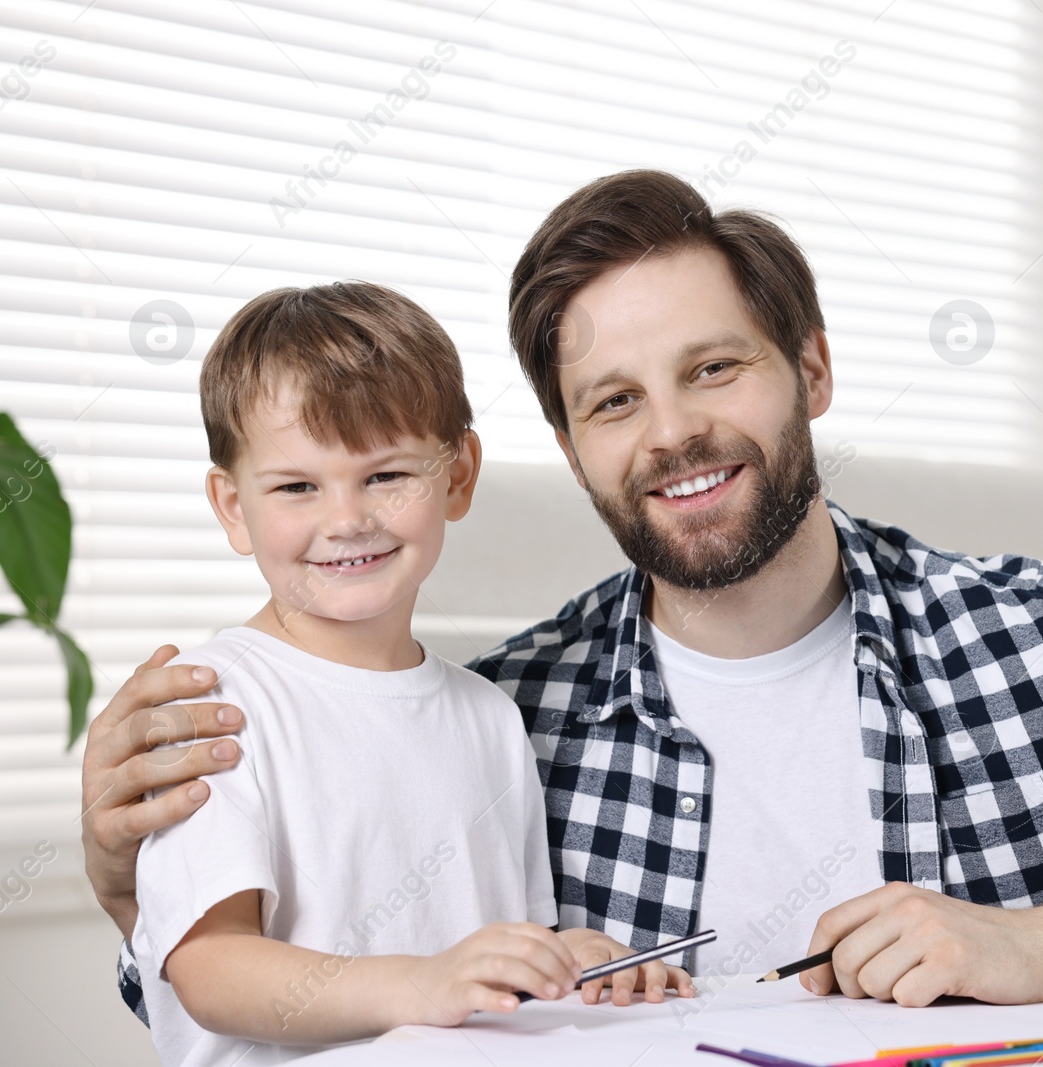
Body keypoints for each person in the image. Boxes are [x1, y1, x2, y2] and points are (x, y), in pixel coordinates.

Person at [85, 172, 1043, 1021]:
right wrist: (119, 870)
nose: (674, 432)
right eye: (614, 400)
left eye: (715, 368)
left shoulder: (1020, 638)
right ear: (569, 451)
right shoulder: (511, 707)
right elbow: (244, 988)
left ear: (810, 367)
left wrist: (1030, 944)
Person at [126, 282, 690, 1067]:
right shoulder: (213, 702)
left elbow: (496, 964)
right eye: (297, 486)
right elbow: (209, 967)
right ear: (230, 505)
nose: (348, 518)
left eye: (386, 476)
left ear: (458, 475)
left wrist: (574, 960)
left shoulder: (490, 716)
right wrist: (423, 984)